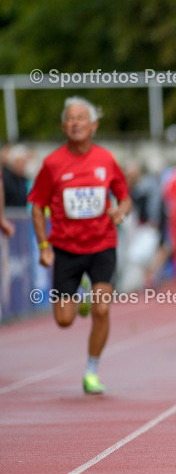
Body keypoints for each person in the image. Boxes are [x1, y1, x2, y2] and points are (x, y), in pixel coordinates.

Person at [27, 97, 132, 394]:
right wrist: (44, 246)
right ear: (63, 127)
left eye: (81, 118)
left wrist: (121, 212)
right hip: (66, 248)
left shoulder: (106, 159)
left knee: (102, 308)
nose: (75, 123)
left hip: (102, 244)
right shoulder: (52, 163)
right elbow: (37, 207)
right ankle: (80, 295)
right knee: (64, 320)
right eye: (70, 119)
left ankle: (92, 371)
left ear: (93, 125)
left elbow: (125, 197)